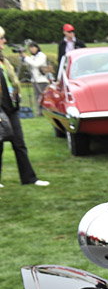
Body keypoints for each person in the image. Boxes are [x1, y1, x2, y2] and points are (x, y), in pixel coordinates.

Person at [0, 26, 49, 188]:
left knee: (19, 144)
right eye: (1, 38)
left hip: (11, 107)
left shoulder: (3, 61)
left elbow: (10, 81)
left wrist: (17, 93)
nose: (4, 41)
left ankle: (29, 178)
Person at [21, 42, 51, 115]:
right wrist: (22, 57)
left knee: (43, 97)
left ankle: (46, 111)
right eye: (30, 48)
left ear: (37, 47)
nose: (32, 49)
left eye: (33, 47)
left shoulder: (41, 55)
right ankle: (39, 112)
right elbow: (27, 63)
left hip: (42, 80)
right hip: (35, 80)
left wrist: (26, 57)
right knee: (37, 97)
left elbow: (36, 64)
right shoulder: (32, 57)